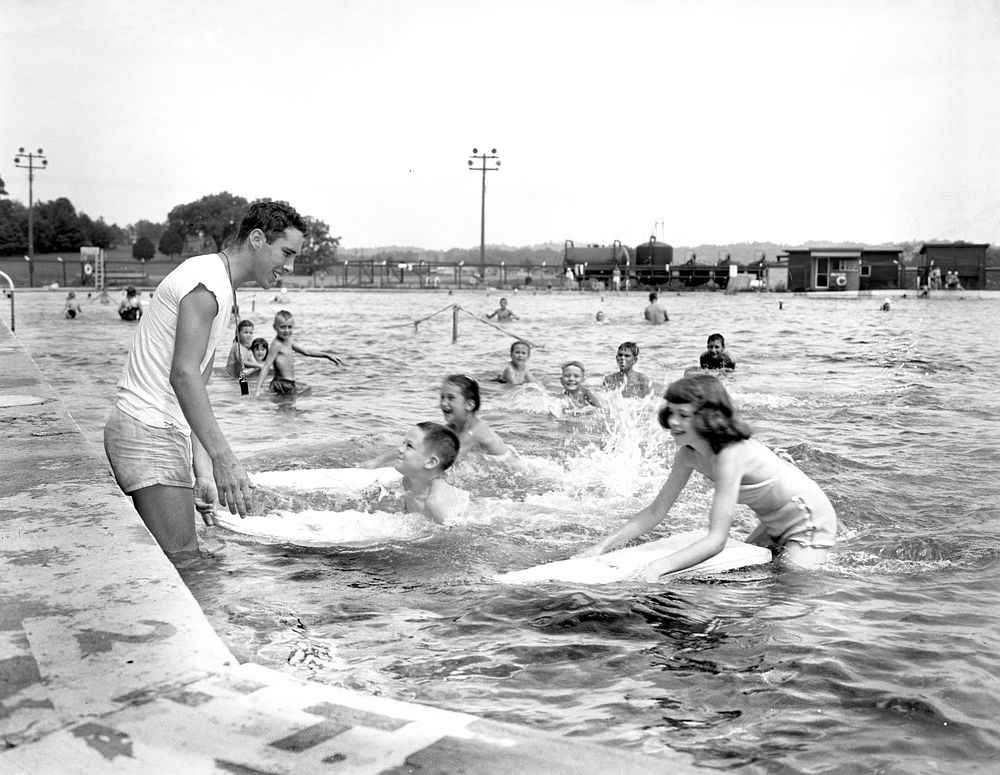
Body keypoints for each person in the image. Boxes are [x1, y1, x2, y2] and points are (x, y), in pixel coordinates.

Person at [103, 199, 308, 556]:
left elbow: (196, 384)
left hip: (156, 431)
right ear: (258, 239)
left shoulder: (218, 284)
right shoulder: (208, 285)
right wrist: (224, 459)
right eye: (286, 253)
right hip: (149, 431)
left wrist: (203, 472)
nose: (290, 267)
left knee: (184, 561)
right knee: (187, 563)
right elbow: (182, 375)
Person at [579, 374, 837, 578]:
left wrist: (659, 567)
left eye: (684, 416)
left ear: (708, 418)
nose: (673, 423)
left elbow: (716, 539)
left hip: (808, 519)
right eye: (671, 413)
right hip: (772, 522)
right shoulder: (687, 455)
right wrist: (603, 546)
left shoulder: (731, 455)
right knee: (744, 571)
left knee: (791, 580)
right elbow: (656, 511)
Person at [254, 309, 342, 396]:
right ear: (275, 327)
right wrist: (258, 389)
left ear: (293, 327)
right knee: (288, 408)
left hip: (289, 383)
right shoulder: (276, 344)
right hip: (281, 384)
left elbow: (306, 351)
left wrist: (327, 355)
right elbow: (266, 366)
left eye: (289, 327)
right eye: (282, 327)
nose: (286, 330)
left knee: (305, 392)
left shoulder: (289, 341)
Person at [394, 421, 468, 524]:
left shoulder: (436, 502)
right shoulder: (407, 481)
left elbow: (459, 536)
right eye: (403, 443)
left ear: (431, 462)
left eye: (409, 446)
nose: (400, 449)